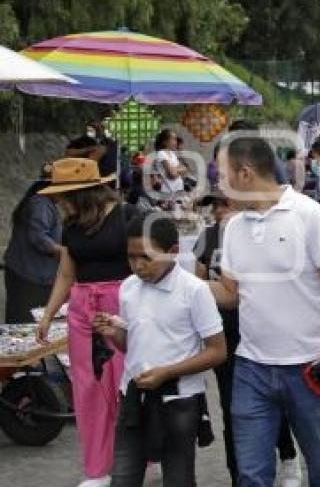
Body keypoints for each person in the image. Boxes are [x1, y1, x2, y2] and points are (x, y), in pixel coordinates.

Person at [209, 135, 320, 487]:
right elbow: (232, 293)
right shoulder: (232, 227)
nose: (217, 183)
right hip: (251, 367)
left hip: (308, 366)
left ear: (245, 173)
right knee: (251, 473)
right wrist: (183, 287)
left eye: (221, 173)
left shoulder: (311, 217)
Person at [94, 215, 226, 486]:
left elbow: (217, 351)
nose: (138, 265)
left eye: (147, 257)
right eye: (131, 257)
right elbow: (134, 345)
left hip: (178, 401)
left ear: (173, 253)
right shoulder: (129, 288)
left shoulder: (194, 291)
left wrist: (167, 372)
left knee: (178, 478)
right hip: (133, 397)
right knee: (122, 478)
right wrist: (115, 335)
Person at [36, 158, 139, 487]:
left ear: (83, 193)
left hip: (121, 305)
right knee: (89, 389)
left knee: (126, 383)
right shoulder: (72, 225)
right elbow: (66, 273)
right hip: (82, 309)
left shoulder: (129, 217)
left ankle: (140, 456)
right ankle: (98, 470)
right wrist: (50, 313)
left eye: (64, 195)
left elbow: (146, 267)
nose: (59, 202)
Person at [194, 190, 303, 487]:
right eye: (214, 206)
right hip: (223, 331)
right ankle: (238, 477)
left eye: (224, 204)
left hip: (260, 330)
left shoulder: (259, 234)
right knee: (232, 408)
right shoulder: (207, 237)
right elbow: (198, 282)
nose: (218, 211)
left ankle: (288, 454)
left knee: (272, 399)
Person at [3, 164, 62, 323]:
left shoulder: (43, 203)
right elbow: (38, 238)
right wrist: (64, 253)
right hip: (28, 276)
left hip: (30, 273)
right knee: (24, 322)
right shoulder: (40, 204)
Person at [154, 129, 187, 198]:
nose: (176, 142)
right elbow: (172, 174)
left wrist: (174, 170)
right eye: (173, 139)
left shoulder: (172, 154)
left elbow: (185, 169)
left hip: (178, 189)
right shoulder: (161, 154)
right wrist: (177, 170)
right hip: (168, 192)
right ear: (165, 142)